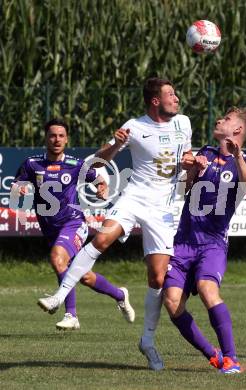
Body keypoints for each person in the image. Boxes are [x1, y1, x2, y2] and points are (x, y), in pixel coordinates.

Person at [37, 78, 199, 370]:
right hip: (134, 197)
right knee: (100, 239)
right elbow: (97, 162)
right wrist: (117, 145)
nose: (176, 98)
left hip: (164, 208)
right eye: (170, 95)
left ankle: (147, 341)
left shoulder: (184, 124)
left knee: (157, 279)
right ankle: (59, 297)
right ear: (154, 101)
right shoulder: (134, 127)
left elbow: (186, 156)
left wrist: (190, 163)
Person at [12, 118, 135, 330]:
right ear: (46, 138)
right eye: (52, 135)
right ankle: (119, 294)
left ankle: (71, 315)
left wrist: (101, 189)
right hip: (50, 230)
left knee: (57, 258)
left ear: (66, 139)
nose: (56, 139)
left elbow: (99, 180)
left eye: (61, 135)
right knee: (83, 276)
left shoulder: (75, 164)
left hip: (74, 223)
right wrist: (18, 189)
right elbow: (17, 185)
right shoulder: (32, 164)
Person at [163, 107, 246, 374]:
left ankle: (231, 358)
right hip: (183, 241)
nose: (219, 120)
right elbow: (183, 189)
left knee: (207, 289)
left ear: (238, 130)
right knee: (172, 303)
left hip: (213, 243)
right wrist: (193, 171)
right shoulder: (204, 152)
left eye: (226, 119)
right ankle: (213, 355)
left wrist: (238, 156)